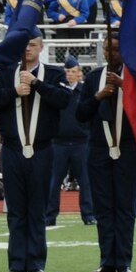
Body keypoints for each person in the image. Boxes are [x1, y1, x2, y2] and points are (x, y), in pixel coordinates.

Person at [0, 19, 73, 272]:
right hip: (13, 150)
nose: (28, 49)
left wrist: (37, 85)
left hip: (42, 149)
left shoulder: (53, 73)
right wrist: (12, 92)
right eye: (24, 45)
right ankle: (17, 263)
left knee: (37, 207)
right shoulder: (6, 73)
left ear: (42, 47)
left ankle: (36, 263)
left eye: (32, 45)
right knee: (16, 209)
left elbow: (65, 100)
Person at [78, 30, 136, 272]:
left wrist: (125, 88)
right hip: (99, 148)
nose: (111, 54)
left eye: (116, 50)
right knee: (104, 207)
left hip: (128, 148)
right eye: (107, 49)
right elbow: (80, 114)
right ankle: (107, 260)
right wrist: (98, 97)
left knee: (125, 207)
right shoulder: (94, 77)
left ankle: (124, 261)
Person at [45, 56, 95, 229]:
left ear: (80, 74)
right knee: (54, 181)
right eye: (67, 71)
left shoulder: (84, 92)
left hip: (81, 142)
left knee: (86, 181)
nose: (70, 75)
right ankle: (50, 215)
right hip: (59, 142)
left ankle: (88, 214)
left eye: (73, 71)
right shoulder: (57, 91)